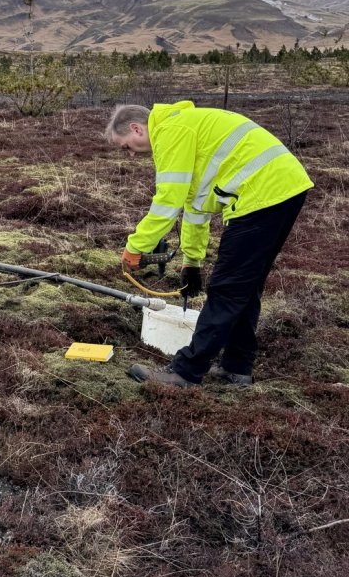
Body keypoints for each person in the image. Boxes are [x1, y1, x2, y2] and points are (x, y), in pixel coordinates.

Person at [105, 101, 313, 388]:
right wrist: (192, 262)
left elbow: (168, 203)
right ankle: (236, 369)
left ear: (136, 128)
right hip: (281, 190)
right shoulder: (185, 128)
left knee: (226, 289)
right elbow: (194, 208)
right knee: (244, 288)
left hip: (263, 195)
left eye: (125, 146)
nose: (129, 154)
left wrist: (135, 246)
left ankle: (185, 372)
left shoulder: (171, 131)